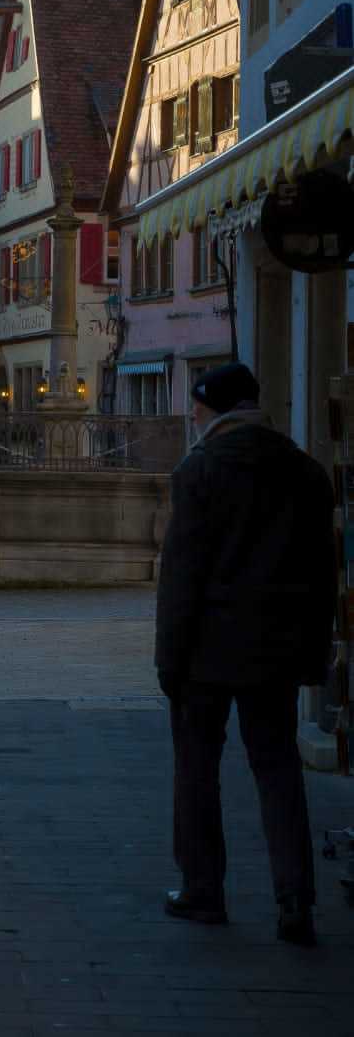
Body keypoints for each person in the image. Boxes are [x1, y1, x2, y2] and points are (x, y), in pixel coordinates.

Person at [156, 362, 335, 947]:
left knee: (196, 768)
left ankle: (203, 889)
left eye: (197, 407)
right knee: (278, 768)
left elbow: (180, 578)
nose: (191, 415)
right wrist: (314, 654)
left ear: (216, 410)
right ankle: (295, 899)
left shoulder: (199, 470)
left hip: (206, 652)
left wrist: (168, 660)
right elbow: (321, 575)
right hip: (276, 650)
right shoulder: (306, 472)